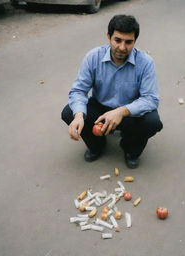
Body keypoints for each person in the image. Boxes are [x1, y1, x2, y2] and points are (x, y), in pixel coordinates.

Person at [61, 14, 163, 169]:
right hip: (100, 109)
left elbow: (151, 99)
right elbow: (78, 91)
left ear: (135, 41)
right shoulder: (93, 57)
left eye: (129, 42)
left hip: (129, 113)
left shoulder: (146, 63)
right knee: (69, 112)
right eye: (118, 40)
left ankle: (130, 148)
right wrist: (79, 115)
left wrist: (122, 112)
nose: (122, 47)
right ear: (108, 37)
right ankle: (97, 145)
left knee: (152, 122)